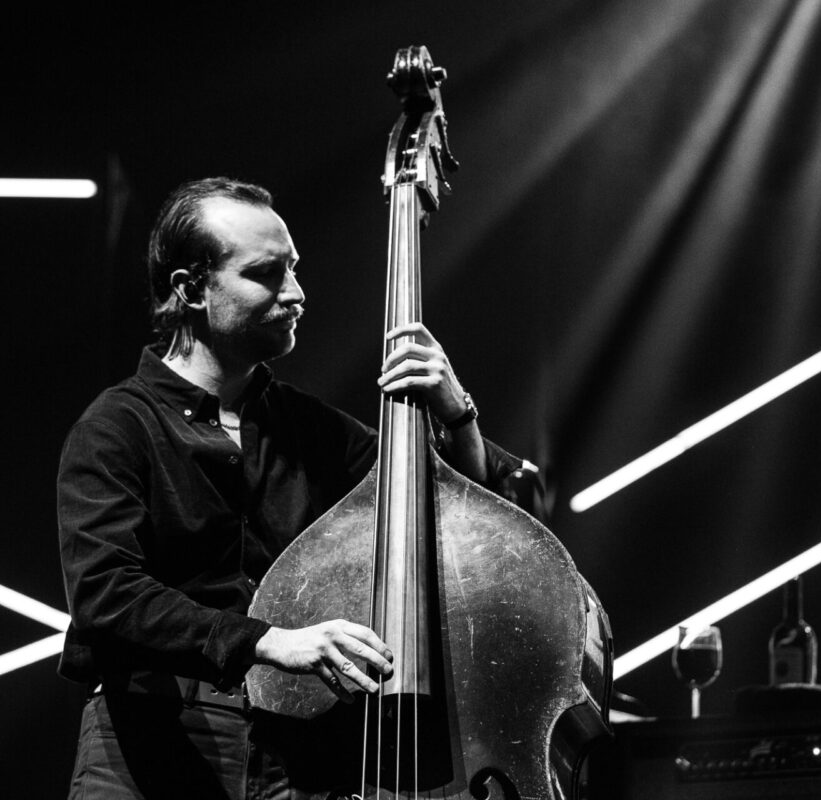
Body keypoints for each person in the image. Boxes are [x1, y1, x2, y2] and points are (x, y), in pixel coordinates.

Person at [57, 177, 536, 798]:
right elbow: (106, 594)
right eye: (267, 273)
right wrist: (268, 641)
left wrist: (455, 413)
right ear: (191, 289)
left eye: (295, 269)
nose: (297, 293)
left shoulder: (305, 428)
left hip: (292, 749)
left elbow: (468, 509)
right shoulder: (116, 427)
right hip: (150, 742)